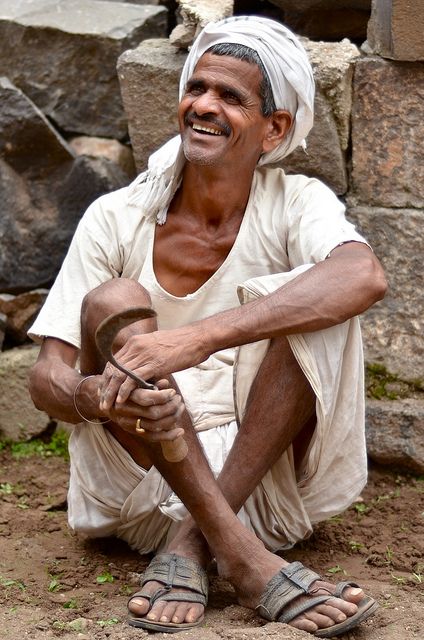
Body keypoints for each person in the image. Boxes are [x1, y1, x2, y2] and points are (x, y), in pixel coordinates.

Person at [28, 14, 386, 638]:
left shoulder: (298, 203)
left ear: (274, 127)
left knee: (321, 292)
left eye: (230, 96)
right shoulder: (117, 216)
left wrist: (194, 338)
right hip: (140, 486)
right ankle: (243, 559)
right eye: (197, 88)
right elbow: (46, 378)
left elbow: (364, 277)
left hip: (264, 496)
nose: (204, 106)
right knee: (114, 297)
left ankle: (195, 542)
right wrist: (95, 396)